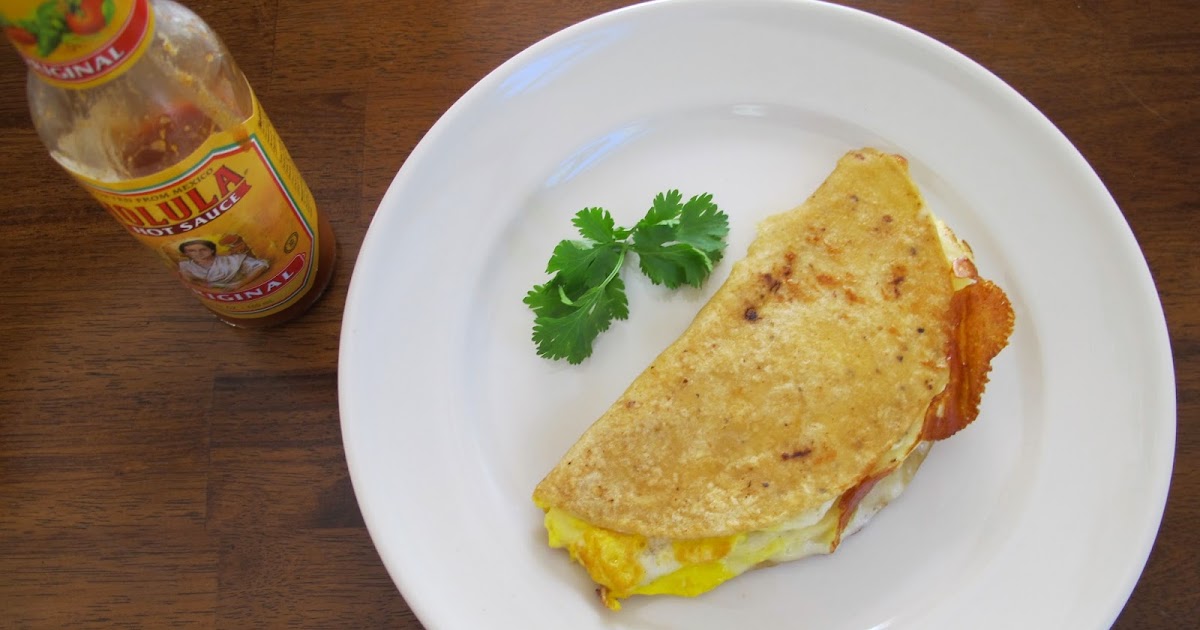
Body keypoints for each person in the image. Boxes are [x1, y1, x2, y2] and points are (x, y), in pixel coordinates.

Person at [176, 238, 269, 290]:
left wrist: (240, 284)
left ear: (212, 250)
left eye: (203, 249)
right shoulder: (186, 266)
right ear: (186, 254)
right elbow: (192, 282)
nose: (198, 253)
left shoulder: (230, 260)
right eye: (192, 251)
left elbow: (261, 266)